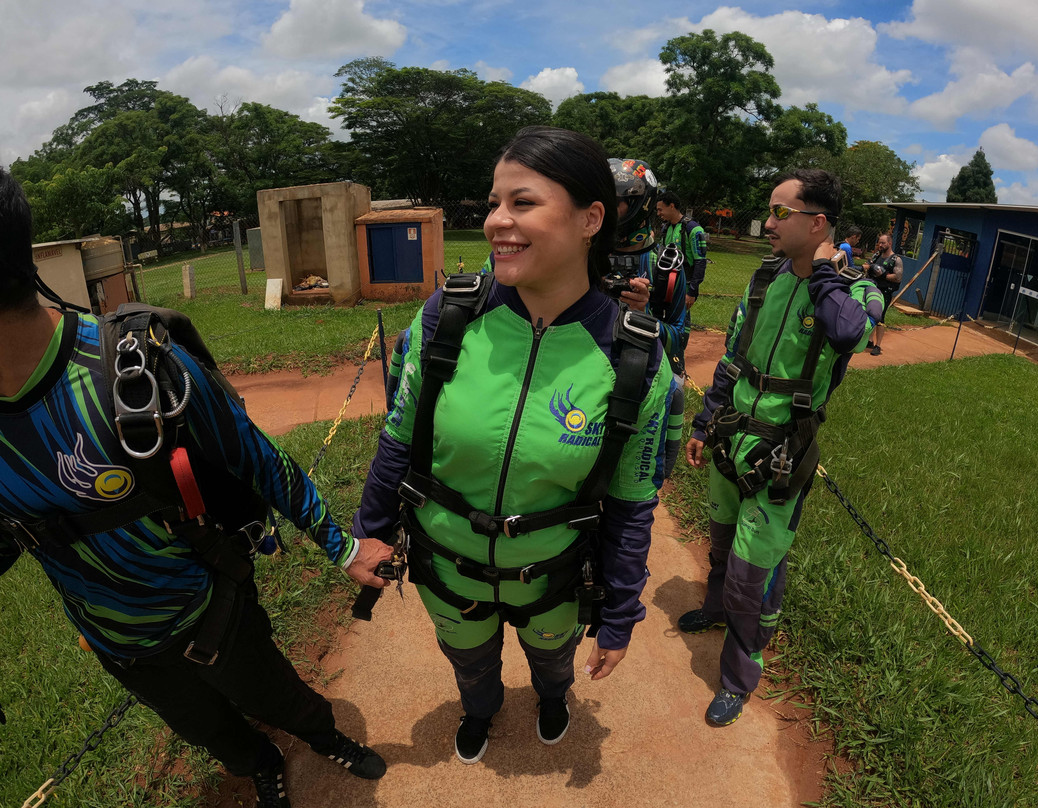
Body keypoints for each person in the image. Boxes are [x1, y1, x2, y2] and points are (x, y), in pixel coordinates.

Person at [0, 168, 386, 808]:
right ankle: (260, 762)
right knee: (205, 729)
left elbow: (258, 460)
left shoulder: (135, 372)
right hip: (115, 643)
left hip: (210, 610)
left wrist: (341, 547)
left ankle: (324, 737)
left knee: (277, 697)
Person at [351, 127, 676, 765]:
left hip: (553, 575)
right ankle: (480, 708)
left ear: (590, 219)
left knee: (553, 663)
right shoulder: (448, 316)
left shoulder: (634, 358)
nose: (497, 220)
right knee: (469, 664)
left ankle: (552, 699)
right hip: (446, 567)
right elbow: (399, 437)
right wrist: (371, 530)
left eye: (523, 203)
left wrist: (619, 613)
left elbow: (632, 502)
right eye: (495, 202)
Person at [680, 169, 882, 727]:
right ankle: (715, 607)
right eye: (769, 211)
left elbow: (849, 333)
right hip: (732, 436)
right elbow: (734, 355)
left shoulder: (855, 289)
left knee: (754, 572)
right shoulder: (764, 278)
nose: (768, 223)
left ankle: (738, 676)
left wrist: (824, 274)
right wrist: (704, 422)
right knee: (722, 543)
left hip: (781, 451)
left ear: (817, 223)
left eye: (780, 213)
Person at [607, 160, 688, 378]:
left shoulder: (666, 266)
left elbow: (679, 338)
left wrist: (643, 315)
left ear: (639, 205)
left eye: (613, 202)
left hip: (644, 375)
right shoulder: (586, 258)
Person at [655, 191, 708, 350]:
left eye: (660, 209)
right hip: (665, 284)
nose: (658, 213)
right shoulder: (665, 228)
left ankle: (678, 354)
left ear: (671, 206)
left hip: (684, 285)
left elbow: (700, 261)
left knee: (682, 320)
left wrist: (692, 291)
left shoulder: (693, 229)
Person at [865, 232, 903, 356]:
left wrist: (884, 274)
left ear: (889, 243)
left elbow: (898, 277)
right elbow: (868, 265)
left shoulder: (896, 259)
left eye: (883, 243)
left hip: (885, 292)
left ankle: (878, 345)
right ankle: (870, 341)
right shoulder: (876, 255)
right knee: (870, 313)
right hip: (872, 288)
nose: (880, 245)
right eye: (879, 242)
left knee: (880, 317)